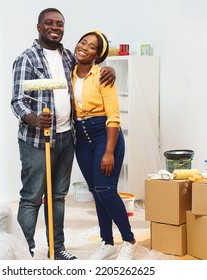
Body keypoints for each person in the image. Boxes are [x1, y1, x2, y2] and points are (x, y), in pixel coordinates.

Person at [10, 8, 115, 260]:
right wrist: (35, 119)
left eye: (59, 24)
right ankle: (25, 252)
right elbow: (17, 101)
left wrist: (107, 67)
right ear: (38, 27)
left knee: (57, 197)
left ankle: (57, 250)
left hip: (67, 137)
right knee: (32, 197)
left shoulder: (68, 56)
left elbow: (89, 69)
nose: (55, 27)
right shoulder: (27, 59)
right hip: (37, 140)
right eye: (49, 23)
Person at [71, 30, 137, 260]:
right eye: (83, 42)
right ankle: (107, 241)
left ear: (98, 55)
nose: (85, 47)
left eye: (92, 46)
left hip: (104, 135)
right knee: (96, 192)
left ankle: (128, 240)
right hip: (81, 137)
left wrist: (109, 151)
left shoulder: (103, 76)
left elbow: (114, 116)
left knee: (106, 190)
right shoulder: (68, 72)